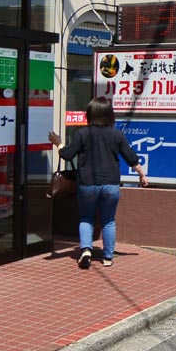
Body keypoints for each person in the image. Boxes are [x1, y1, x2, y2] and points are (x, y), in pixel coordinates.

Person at [48, 97, 147, 268]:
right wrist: (142, 175)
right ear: (110, 115)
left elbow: (67, 154)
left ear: (89, 115)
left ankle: (86, 250)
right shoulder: (116, 134)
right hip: (110, 184)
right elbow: (131, 157)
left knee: (86, 217)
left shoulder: (82, 133)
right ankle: (108, 257)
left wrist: (58, 143)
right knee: (108, 220)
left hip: (87, 184)